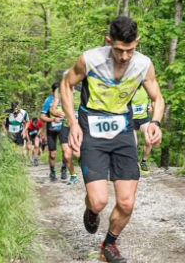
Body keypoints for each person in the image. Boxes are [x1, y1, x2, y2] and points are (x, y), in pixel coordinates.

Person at [61, 16, 164, 263]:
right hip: (91, 131)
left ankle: (109, 245)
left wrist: (156, 123)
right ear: (109, 41)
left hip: (123, 132)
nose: (125, 56)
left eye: (130, 49)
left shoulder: (143, 64)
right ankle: (91, 208)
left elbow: (157, 98)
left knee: (126, 203)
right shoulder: (90, 59)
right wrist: (72, 123)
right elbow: (66, 84)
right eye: (119, 50)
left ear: (137, 42)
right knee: (99, 201)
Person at [50, 76, 81, 185]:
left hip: (81, 126)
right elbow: (52, 108)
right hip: (66, 126)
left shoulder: (81, 90)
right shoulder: (59, 91)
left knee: (77, 154)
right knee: (67, 155)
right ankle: (73, 175)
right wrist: (55, 112)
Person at [40, 83, 72, 182]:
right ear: (52, 91)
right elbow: (42, 117)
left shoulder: (66, 98)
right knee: (52, 154)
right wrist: (52, 119)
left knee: (65, 150)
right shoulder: (49, 100)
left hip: (63, 127)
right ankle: (52, 172)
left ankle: (64, 168)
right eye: (57, 91)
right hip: (51, 129)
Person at [131, 87, 153, 172]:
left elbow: (153, 95)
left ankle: (143, 162)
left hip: (144, 118)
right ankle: (133, 163)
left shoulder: (145, 85)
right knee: (134, 143)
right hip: (131, 119)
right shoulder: (128, 85)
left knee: (149, 140)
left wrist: (150, 105)